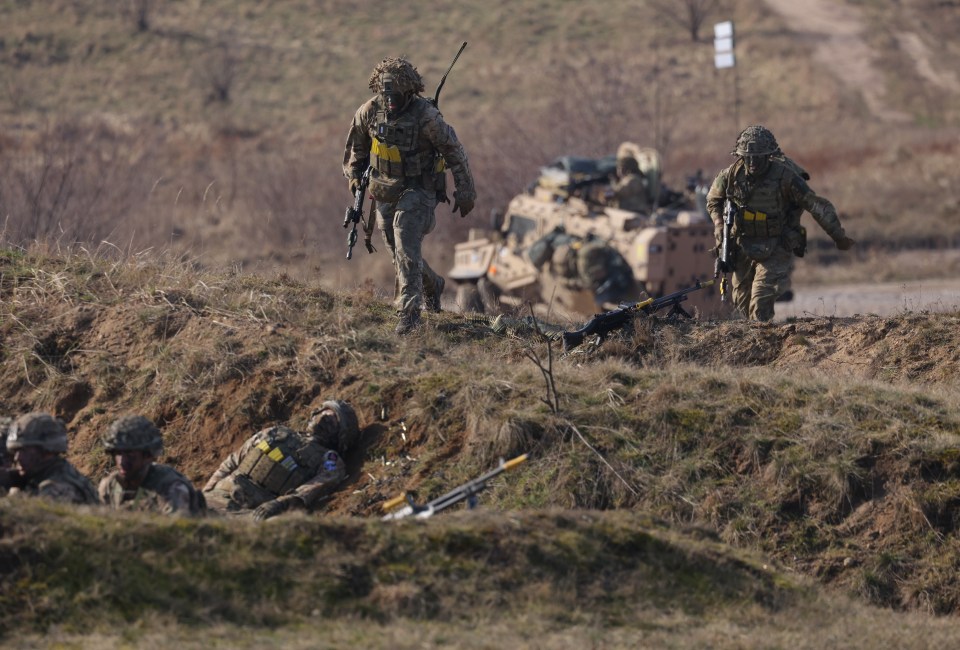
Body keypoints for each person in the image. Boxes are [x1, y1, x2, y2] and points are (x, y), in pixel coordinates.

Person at [343, 56, 477, 334]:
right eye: (386, 94)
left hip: (420, 188)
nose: (390, 101)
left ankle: (410, 313)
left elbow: (455, 151)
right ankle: (432, 284)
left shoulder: (426, 117)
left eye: (397, 95)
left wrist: (465, 189)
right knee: (398, 251)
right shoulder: (370, 111)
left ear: (409, 91)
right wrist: (354, 176)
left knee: (404, 235)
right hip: (385, 187)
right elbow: (357, 147)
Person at [707, 125, 855, 321]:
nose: (752, 163)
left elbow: (816, 205)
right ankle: (756, 346)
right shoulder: (730, 176)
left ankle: (764, 340)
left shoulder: (785, 177)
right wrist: (719, 225)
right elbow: (713, 201)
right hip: (742, 246)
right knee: (741, 307)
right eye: (747, 157)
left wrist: (838, 236)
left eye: (758, 157)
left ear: (768, 155)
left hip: (776, 246)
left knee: (760, 305)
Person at [202, 400, 360, 521]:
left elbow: (316, 486)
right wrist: (208, 489)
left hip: (254, 510)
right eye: (325, 413)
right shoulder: (274, 432)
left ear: (341, 434)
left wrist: (279, 503)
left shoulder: (329, 458)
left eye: (333, 420)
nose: (325, 419)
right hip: (221, 494)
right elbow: (232, 462)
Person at [98, 415, 206, 516]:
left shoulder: (171, 488)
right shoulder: (110, 485)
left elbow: (176, 531)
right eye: (118, 453)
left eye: (130, 454)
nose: (122, 462)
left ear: (148, 456)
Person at [1, 412, 99, 504]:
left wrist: (14, 498)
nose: (17, 457)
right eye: (16, 451)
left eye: (24, 451)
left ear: (46, 451)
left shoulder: (57, 489)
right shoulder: (50, 473)